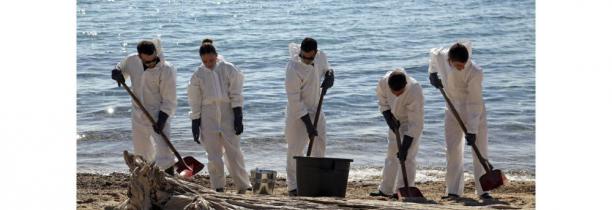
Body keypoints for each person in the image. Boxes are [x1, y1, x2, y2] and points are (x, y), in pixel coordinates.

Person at [428, 41, 493, 200]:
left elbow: (474, 103)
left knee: (480, 149)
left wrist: (471, 130)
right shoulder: (441, 55)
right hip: (451, 109)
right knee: (452, 149)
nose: (461, 68)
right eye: (458, 65)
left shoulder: (475, 72)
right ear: (449, 60)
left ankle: (483, 190)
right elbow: (433, 55)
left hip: (474, 111)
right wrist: (432, 73)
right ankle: (453, 190)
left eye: (463, 65)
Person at [187, 43, 251, 194]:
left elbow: (236, 93)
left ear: (216, 56)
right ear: (201, 60)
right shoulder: (198, 75)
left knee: (233, 150)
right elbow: (194, 100)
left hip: (227, 111)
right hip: (207, 115)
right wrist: (195, 123)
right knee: (213, 154)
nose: (209, 64)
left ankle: (243, 185)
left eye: (211, 60)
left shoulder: (228, 69)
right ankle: (218, 187)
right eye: (205, 61)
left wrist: (238, 116)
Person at [110, 39, 177, 175]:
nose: (152, 63)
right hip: (138, 113)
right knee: (141, 152)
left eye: (154, 60)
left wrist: (162, 120)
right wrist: (117, 73)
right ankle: (147, 182)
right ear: (139, 56)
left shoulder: (166, 69)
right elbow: (120, 67)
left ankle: (171, 182)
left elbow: (169, 100)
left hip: (159, 114)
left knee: (164, 152)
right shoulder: (131, 61)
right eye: (148, 62)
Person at [284, 37, 334, 196]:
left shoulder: (321, 56)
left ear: (315, 53)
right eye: (303, 56)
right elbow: (294, 100)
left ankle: (315, 180)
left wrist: (330, 76)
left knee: (320, 144)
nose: (306, 60)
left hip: (316, 108)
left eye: (309, 57)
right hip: (297, 113)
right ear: (300, 52)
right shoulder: (292, 68)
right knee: (295, 148)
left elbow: (327, 69)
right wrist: (308, 125)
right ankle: (293, 186)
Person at [369, 69, 424, 198]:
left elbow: (416, 123)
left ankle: (402, 190)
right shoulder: (383, 82)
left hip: (410, 122)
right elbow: (383, 103)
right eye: (395, 93)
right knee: (391, 155)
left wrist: (405, 147)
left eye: (400, 93)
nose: (397, 96)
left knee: (408, 157)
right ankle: (386, 189)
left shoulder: (415, 90)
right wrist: (389, 119)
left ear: (405, 85)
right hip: (394, 119)